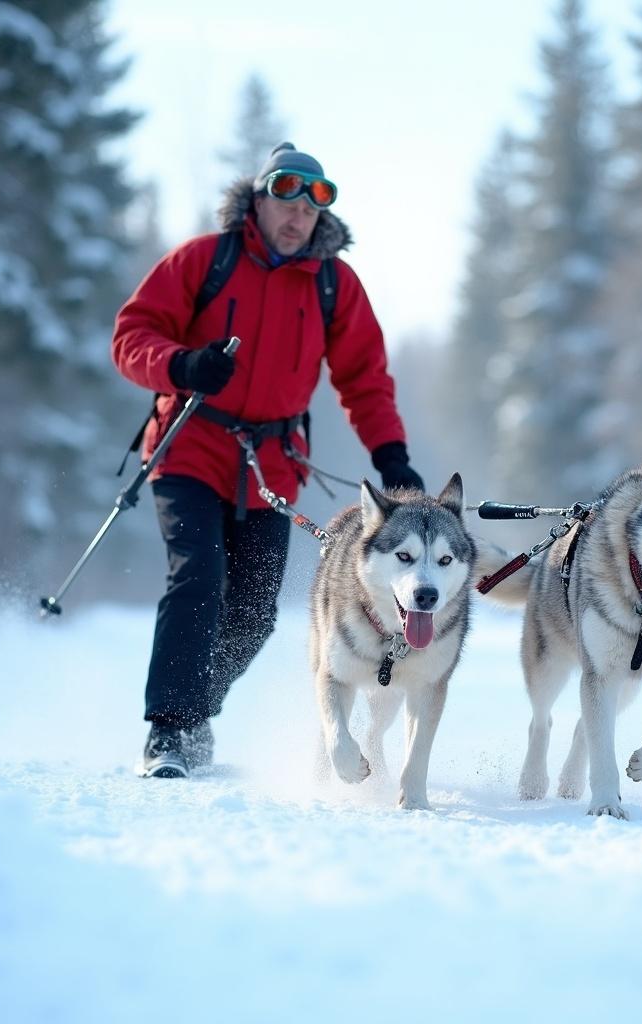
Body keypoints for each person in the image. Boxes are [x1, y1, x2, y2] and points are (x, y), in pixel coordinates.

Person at [112, 142, 424, 779]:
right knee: (198, 578)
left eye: (313, 202)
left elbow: (364, 377)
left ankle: (197, 712)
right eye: (286, 195)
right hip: (191, 446)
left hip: (272, 464)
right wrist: (182, 363)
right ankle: (168, 731)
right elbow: (131, 335)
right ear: (257, 200)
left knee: (254, 611)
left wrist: (391, 455)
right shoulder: (206, 260)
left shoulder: (333, 283)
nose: (299, 214)